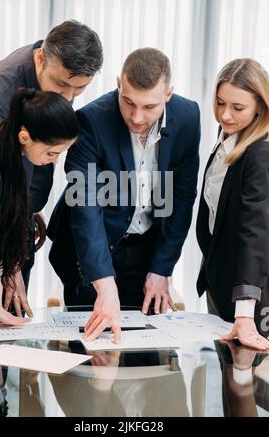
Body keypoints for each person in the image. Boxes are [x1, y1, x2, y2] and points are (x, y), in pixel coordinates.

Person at [48, 47, 201, 342]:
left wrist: (161, 269)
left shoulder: (188, 117)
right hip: (90, 250)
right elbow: (84, 206)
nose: (137, 116)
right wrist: (104, 286)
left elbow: (182, 199)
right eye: (128, 102)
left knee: (146, 349)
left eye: (149, 107)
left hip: (146, 249)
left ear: (169, 94)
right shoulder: (90, 121)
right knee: (93, 352)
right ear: (119, 83)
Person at [0, 19, 103, 312]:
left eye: (78, 89)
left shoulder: (50, 80)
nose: (67, 97)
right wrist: (7, 259)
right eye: (62, 84)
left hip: (14, 234)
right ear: (41, 57)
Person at [0, 88, 79, 366]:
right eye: (52, 152)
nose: (55, 160)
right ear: (24, 136)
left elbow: (8, 227)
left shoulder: (22, 155)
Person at [196, 58, 269, 351]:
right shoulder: (228, 134)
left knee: (248, 387)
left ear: (259, 108)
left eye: (238, 108)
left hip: (251, 298)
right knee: (231, 384)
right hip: (221, 283)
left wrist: (244, 312)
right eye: (220, 103)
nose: (225, 115)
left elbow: (256, 234)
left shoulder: (260, 154)